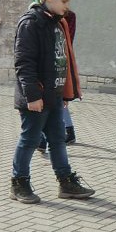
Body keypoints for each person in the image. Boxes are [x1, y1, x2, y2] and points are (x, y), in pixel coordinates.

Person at [10, 0, 95, 204]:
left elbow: (61, 60)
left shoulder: (57, 23)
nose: (67, 7)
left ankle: (66, 182)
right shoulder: (31, 24)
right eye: (64, 1)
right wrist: (33, 95)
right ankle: (19, 183)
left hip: (55, 96)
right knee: (29, 140)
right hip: (36, 98)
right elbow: (23, 63)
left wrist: (64, 92)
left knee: (58, 139)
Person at [37, 8, 78, 152]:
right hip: (52, 68)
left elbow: (66, 43)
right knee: (55, 102)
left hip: (58, 67)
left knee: (53, 103)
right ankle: (67, 131)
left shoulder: (67, 18)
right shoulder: (41, 19)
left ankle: (43, 139)